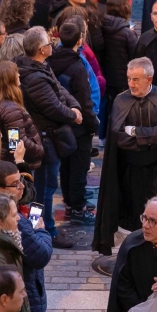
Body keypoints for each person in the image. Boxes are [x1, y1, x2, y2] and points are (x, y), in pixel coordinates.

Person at [93, 57, 157, 257]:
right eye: (129, 79)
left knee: (156, 212)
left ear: (149, 79)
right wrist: (149, 136)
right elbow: (119, 138)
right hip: (129, 170)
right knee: (132, 213)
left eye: (135, 80)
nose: (130, 84)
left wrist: (134, 131)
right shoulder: (121, 100)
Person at [16, 27, 82, 248]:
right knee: (42, 191)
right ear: (42, 49)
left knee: (46, 188)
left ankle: (42, 227)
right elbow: (52, 106)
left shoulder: (40, 66)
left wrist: (74, 106)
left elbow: (59, 90)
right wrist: (73, 115)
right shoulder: (33, 77)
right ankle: (41, 230)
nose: (52, 46)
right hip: (44, 142)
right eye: (49, 44)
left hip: (48, 139)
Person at [47, 21, 99, 226]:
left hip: (59, 121)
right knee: (79, 167)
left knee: (66, 166)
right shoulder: (77, 66)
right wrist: (92, 124)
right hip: (79, 124)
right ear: (80, 40)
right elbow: (84, 100)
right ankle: (78, 208)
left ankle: (69, 201)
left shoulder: (50, 61)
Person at [0, 63, 43, 169]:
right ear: (8, 79)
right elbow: (17, 142)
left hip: (3, 161)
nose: (18, 75)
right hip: (12, 164)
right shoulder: (10, 108)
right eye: (15, 73)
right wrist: (39, 150)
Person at [101, 0, 139, 109]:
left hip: (105, 76)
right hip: (124, 81)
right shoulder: (127, 33)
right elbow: (136, 57)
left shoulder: (100, 26)